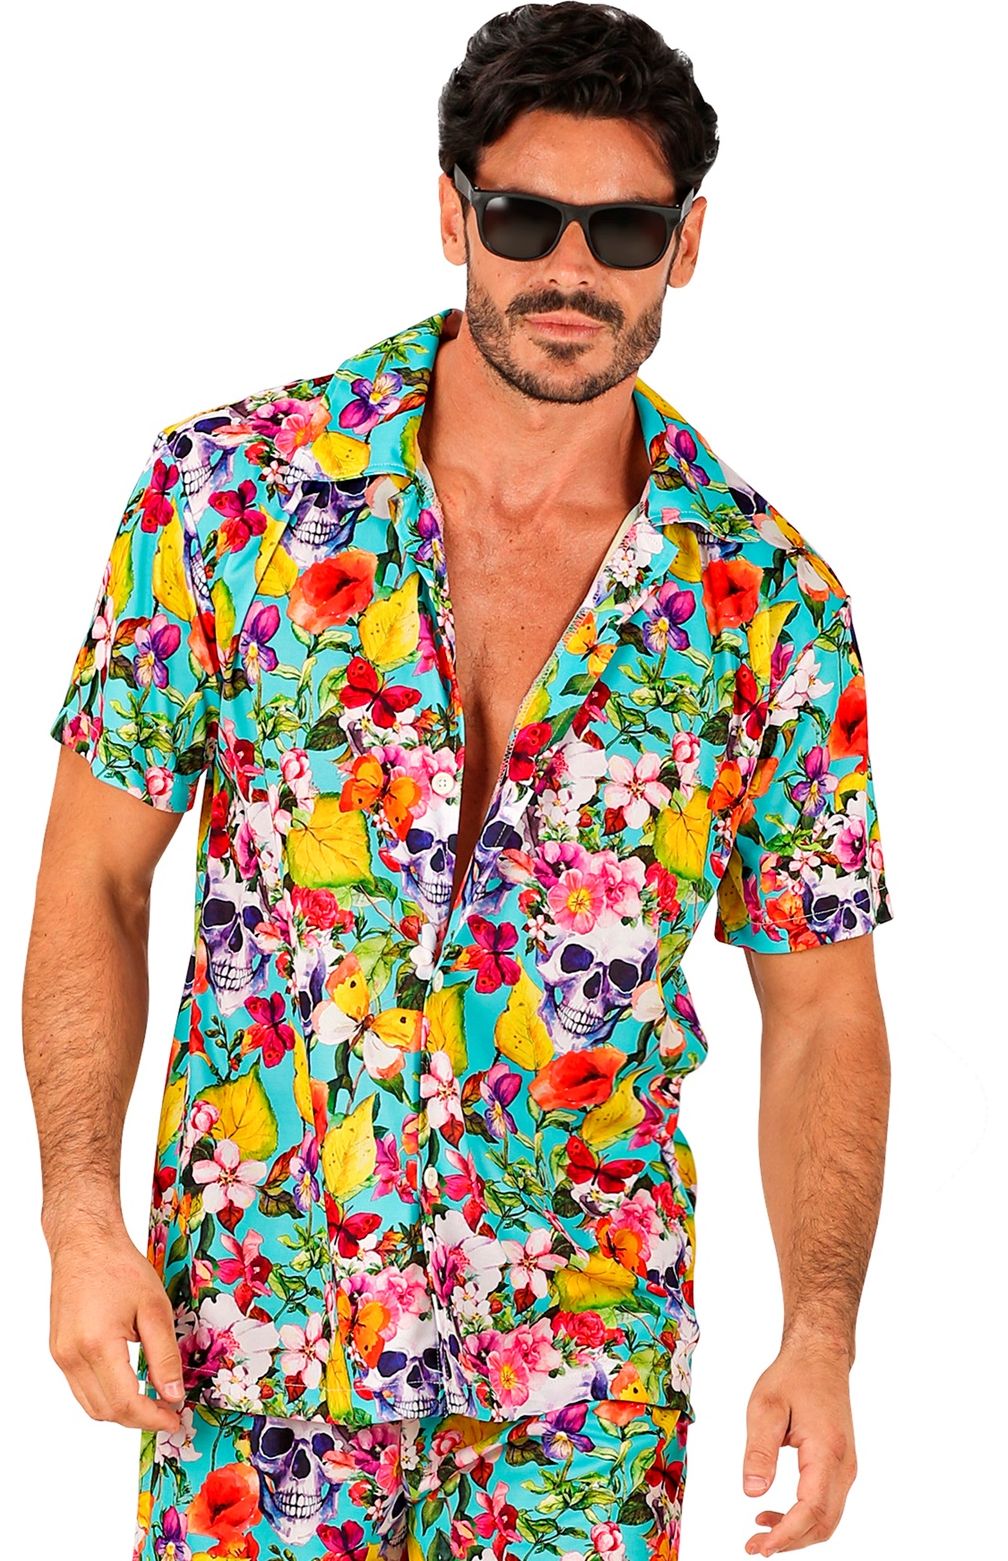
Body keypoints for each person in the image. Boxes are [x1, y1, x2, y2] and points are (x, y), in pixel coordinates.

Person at [24, 5, 895, 1558]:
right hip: (255, 1349)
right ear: (453, 214)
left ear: (686, 245)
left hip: (580, 1389)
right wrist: (79, 1216)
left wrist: (820, 1334)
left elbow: (822, 1002)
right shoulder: (226, 499)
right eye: (523, 217)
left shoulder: (770, 605)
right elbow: (95, 871)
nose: (572, 269)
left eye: (624, 229)